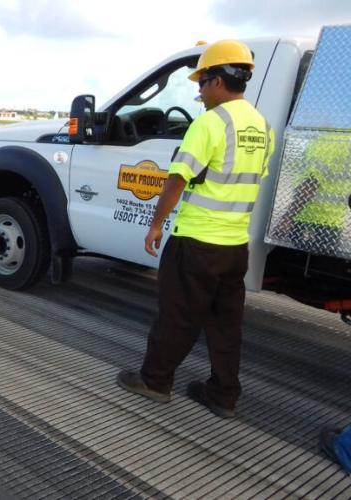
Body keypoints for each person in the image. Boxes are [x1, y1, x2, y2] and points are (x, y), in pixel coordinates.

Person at [116, 39, 275, 418]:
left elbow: (178, 179)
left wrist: (156, 225)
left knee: (177, 315)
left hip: (197, 242)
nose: (199, 91)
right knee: (225, 325)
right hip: (235, 246)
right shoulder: (261, 126)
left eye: (201, 82)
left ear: (218, 80)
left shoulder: (210, 123)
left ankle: (155, 381)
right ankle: (223, 395)